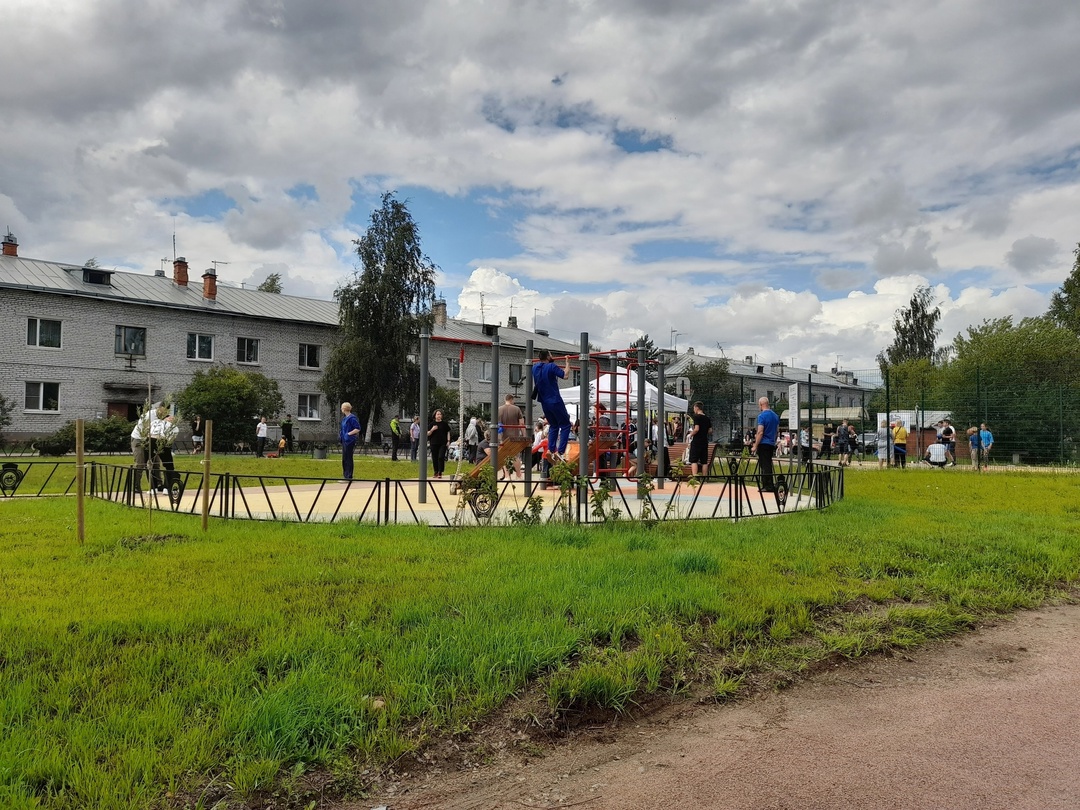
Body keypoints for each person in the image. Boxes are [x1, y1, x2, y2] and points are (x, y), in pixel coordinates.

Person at [532, 349, 572, 462]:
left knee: (554, 425)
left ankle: (550, 450)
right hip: (555, 400)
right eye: (551, 354)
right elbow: (565, 376)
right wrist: (567, 363)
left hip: (544, 402)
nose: (552, 356)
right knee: (565, 425)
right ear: (548, 357)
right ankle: (560, 452)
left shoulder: (534, 368)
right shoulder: (551, 366)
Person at [751, 396, 779, 493]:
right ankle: (769, 484)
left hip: (763, 443)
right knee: (768, 463)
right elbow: (777, 431)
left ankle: (767, 486)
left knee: (764, 465)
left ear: (761, 404)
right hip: (771, 443)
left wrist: (755, 445)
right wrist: (773, 440)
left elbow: (760, 432)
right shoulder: (775, 416)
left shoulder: (761, 416)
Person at [498, 394, 526, 479]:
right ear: (511, 399)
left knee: (504, 456)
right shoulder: (516, 409)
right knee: (516, 456)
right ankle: (519, 475)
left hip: (503, 436)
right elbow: (521, 423)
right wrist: (524, 435)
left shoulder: (499, 409)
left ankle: (507, 476)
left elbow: (497, 424)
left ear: (505, 399)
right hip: (515, 435)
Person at [129, 409, 152, 493]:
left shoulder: (162, 417)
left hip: (150, 439)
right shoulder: (149, 415)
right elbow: (144, 429)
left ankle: (156, 486)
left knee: (154, 462)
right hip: (139, 439)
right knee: (140, 462)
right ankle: (136, 486)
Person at [688, 401, 711, 478]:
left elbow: (696, 429)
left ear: (697, 408)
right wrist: (704, 432)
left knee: (694, 460)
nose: (694, 409)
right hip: (704, 441)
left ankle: (695, 477)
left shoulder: (696, 417)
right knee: (704, 461)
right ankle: (704, 478)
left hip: (697, 441)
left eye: (694, 408)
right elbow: (710, 430)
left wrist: (691, 434)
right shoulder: (707, 418)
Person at [339, 402, 361, 481]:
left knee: (348, 458)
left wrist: (349, 434)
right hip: (344, 440)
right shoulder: (344, 418)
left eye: (342, 408)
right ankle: (345, 475)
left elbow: (357, 428)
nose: (341, 409)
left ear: (344, 409)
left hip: (349, 440)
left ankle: (349, 476)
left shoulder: (352, 418)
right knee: (344, 458)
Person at [427, 409, 451, 478]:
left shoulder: (444, 424)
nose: (439, 416)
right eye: (438, 414)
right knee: (434, 457)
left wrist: (448, 441)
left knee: (441, 457)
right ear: (435, 415)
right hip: (434, 443)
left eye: (440, 414)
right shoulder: (432, 424)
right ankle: (436, 471)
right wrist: (432, 429)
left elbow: (448, 432)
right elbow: (428, 434)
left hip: (442, 443)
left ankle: (440, 471)